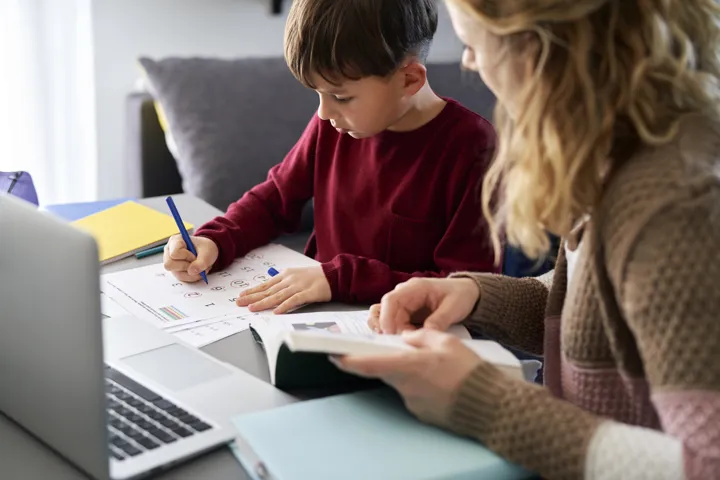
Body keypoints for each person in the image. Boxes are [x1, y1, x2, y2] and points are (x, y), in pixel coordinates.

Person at [334, 0, 720, 478]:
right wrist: (475, 296)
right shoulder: (620, 148)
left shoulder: (672, 203)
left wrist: (485, 403)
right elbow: (599, 305)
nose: (470, 63)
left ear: (542, 47)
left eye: (474, 45)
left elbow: (707, 465)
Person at [162, 0, 498, 314]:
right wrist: (215, 239)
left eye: (340, 96)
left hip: (406, 338)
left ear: (408, 80)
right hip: (315, 317)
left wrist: (337, 279)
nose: (323, 113)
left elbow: (466, 289)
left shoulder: (473, 149)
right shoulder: (334, 126)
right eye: (318, 94)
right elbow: (275, 199)